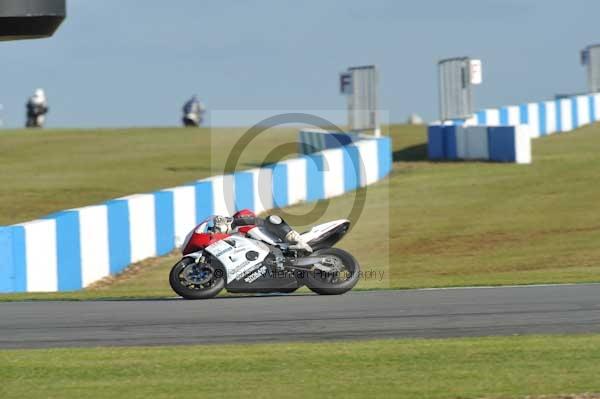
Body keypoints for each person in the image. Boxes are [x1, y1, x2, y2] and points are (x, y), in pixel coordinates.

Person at [213, 209, 313, 253]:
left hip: (283, 243)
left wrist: (235, 221)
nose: (216, 230)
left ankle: (300, 241)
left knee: (271, 219)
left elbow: (254, 220)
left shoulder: (250, 226)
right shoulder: (232, 238)